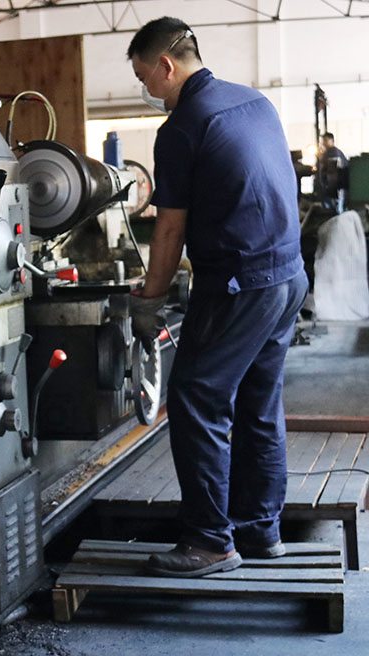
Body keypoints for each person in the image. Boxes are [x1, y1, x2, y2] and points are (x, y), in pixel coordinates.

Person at [127, 17, 309, 577]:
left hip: (239, 285)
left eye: (144, 78)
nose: (146, 90)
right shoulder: (254, 103)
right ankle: (260, 530)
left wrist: (149, 298)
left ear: (166, 66)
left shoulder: (182, 127)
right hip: (287, 275)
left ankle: (209, 542)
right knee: (258, 403)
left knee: (196, 399)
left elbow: (169, 228)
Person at [317, 132, 347, 212]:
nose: (324, 143)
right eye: (323, 141)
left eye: (326, 140)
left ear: (332, 140)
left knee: (335, 209)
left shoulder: (334, 152)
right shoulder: (327, 153)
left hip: (334, 187)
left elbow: (332, 169)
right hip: (331, 187)